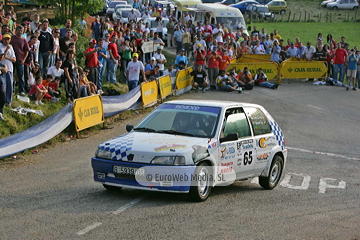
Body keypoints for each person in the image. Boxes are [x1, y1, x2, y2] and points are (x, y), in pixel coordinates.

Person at [11, 25, 30, 96]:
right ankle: (12, 89)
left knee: (21, 76)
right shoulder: (12, 38)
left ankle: (21, 90)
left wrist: (24, 60)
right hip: (11, 59)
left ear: (23, 31)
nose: (19, 32)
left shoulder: (24, 40)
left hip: (20, 59)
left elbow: (27, 51)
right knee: (11, 75)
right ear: (16, 30)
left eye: (21, 30)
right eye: (18, 30)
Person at [0, 33, 15, 107]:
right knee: (3, 87)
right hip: (2, 69)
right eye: (5, 39)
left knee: (10, 86)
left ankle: (8, 101)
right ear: (2, 39)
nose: (6, 41)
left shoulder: (11, 47)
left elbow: (14, 59)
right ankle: (3, 101)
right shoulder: (0, 46)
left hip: (10, 68)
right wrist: (6, 50)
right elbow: (1, 58)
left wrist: (6, 57)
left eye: (8, 39)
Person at [0, 49, 8, 120]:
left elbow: (5, 70)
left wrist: (2, 68)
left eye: (2, 55)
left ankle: (0, 112)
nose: (1, 57)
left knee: (3, 96)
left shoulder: (3, 64)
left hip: (1, 83)